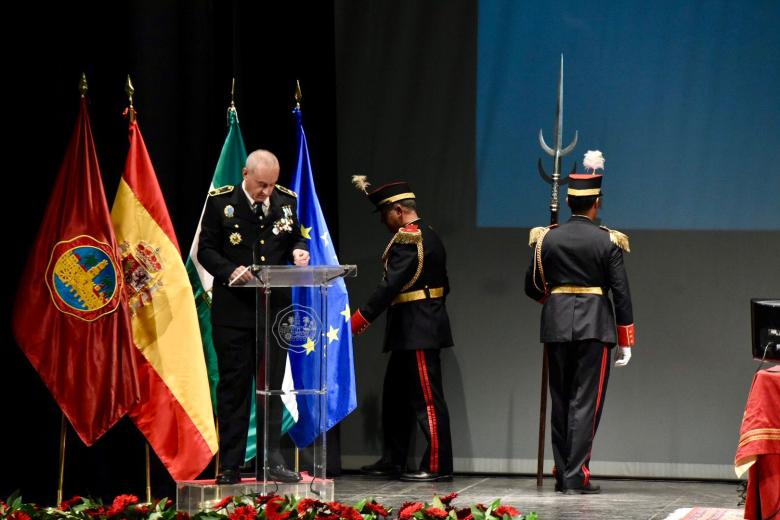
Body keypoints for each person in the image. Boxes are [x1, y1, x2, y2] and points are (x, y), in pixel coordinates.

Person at [524, 151, 635, 495]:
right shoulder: (607, 240)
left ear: (570, 202)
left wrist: (556, 300)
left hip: (555, 326)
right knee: (585, 402)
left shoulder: (546, 237)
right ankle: (576, 476)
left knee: (561, 401)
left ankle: (562, 473)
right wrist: (626, 339)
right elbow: (620, 293)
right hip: (595, 327)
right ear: (596, 203)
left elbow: (531, 286)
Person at [198, 149, 310, 485]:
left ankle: (270, 460)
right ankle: (231, 463)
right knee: (234, 388)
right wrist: (230, 270)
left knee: (272, 388)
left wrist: (298, 251)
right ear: (246, 174)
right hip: (234, 312)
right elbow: (206, 250)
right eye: (261, 185)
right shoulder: (220, 203)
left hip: (273, 311)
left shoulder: (285, 201)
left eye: (272, 185)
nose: (267, 192)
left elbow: (295, 237)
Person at [349, 177, 454, 482]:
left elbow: (390, 285)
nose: (384, 221)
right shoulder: (428, 235)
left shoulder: (411, 239)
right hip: (411, 327)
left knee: (427, 400)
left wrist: (360, 318)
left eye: (384, 214)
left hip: (418, 327)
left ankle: (437, 464)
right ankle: (393, 459)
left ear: (397, 210)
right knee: (395, 397)